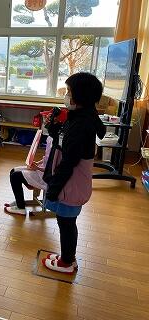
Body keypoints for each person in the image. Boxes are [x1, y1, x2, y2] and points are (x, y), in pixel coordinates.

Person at [41, 72, 106, 274]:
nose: (66, 95)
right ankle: (67, 257)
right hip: (72, 180)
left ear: (80, 95)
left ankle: (67, 263)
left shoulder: (81, 124)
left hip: (71, 182)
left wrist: (53, 189)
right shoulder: (82, 116)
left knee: (66, 222)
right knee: (66, 221)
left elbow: (68, 162)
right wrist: (54, 128)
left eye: (69, 91)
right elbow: (64, 141)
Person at [4, 136, 53, 216]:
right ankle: (20, 201)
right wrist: (37, 163)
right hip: (42, 171)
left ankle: (21, 208)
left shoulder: (58, 141)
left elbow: (54, 167)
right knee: (13, 171)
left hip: (47, 177)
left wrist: (38, 168)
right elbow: (47, 157)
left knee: (15, 176)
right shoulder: (51, 137)